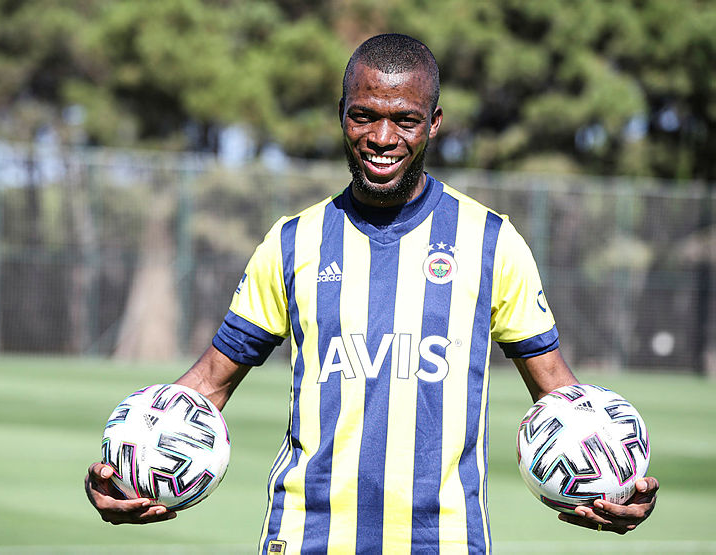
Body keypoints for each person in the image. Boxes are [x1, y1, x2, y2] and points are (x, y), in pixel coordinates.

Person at [85, 33, 658, 553]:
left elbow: (559, 395)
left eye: (405, 120)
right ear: (342, 114)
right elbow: (208, 384)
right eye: (364, 116)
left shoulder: (491, 242)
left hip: (444, 540)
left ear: (434, 123)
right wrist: (126, 468)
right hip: (307, 537)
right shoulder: (292, 242)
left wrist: (613, 484)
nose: (382, 138)